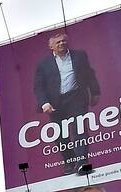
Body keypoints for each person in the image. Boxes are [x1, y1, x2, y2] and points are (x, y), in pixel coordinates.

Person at [34, 32, 100, 173]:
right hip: (55, 103)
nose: (62, 44)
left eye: (64, 41)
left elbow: (89, 74)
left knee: (79, 130)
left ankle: (82, 162)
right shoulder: (43, 64)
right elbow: (39, 86)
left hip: (76, 98)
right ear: (51, 46)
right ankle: (69, 161)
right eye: (58, 42)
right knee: (60, 135)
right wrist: (44, 103)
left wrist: (95, 92)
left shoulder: (79, 56)